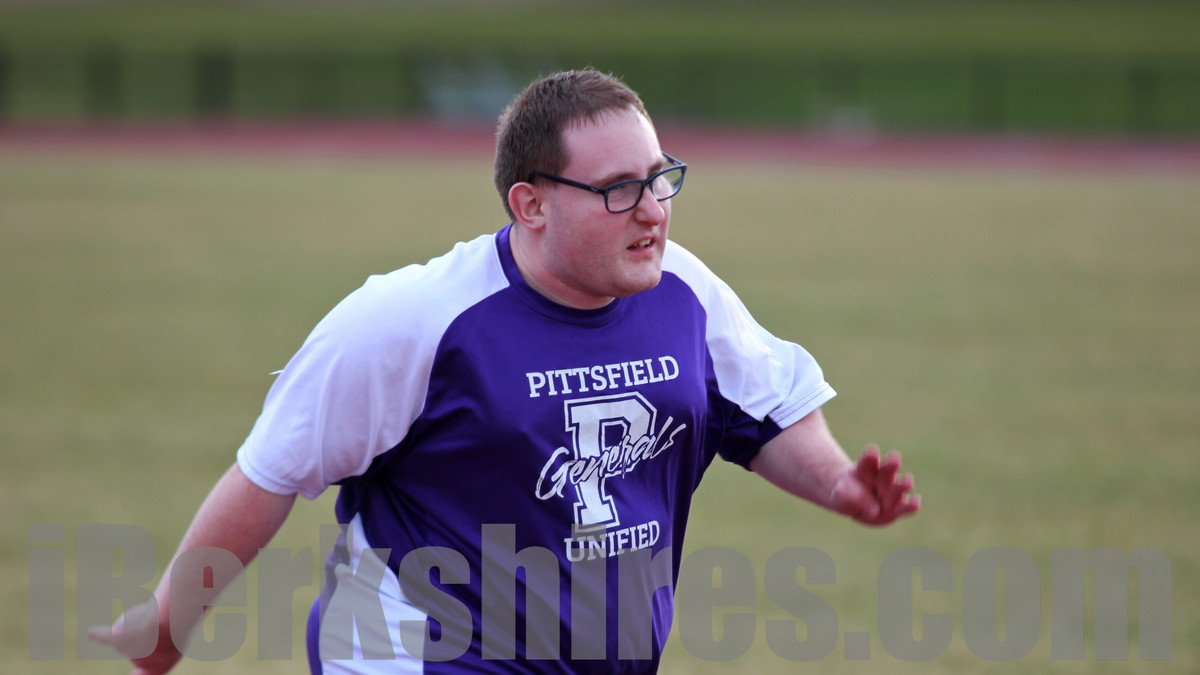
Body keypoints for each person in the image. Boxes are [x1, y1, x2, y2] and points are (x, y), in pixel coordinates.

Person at [91, 69, 919, 674]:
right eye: (619, 189)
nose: (653, 210)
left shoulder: (685, 295)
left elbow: (765, 406)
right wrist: (168, 625)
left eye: (660, 178)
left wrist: (839, 484)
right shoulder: (413, 320)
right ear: (531, 204)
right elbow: (271, 470)